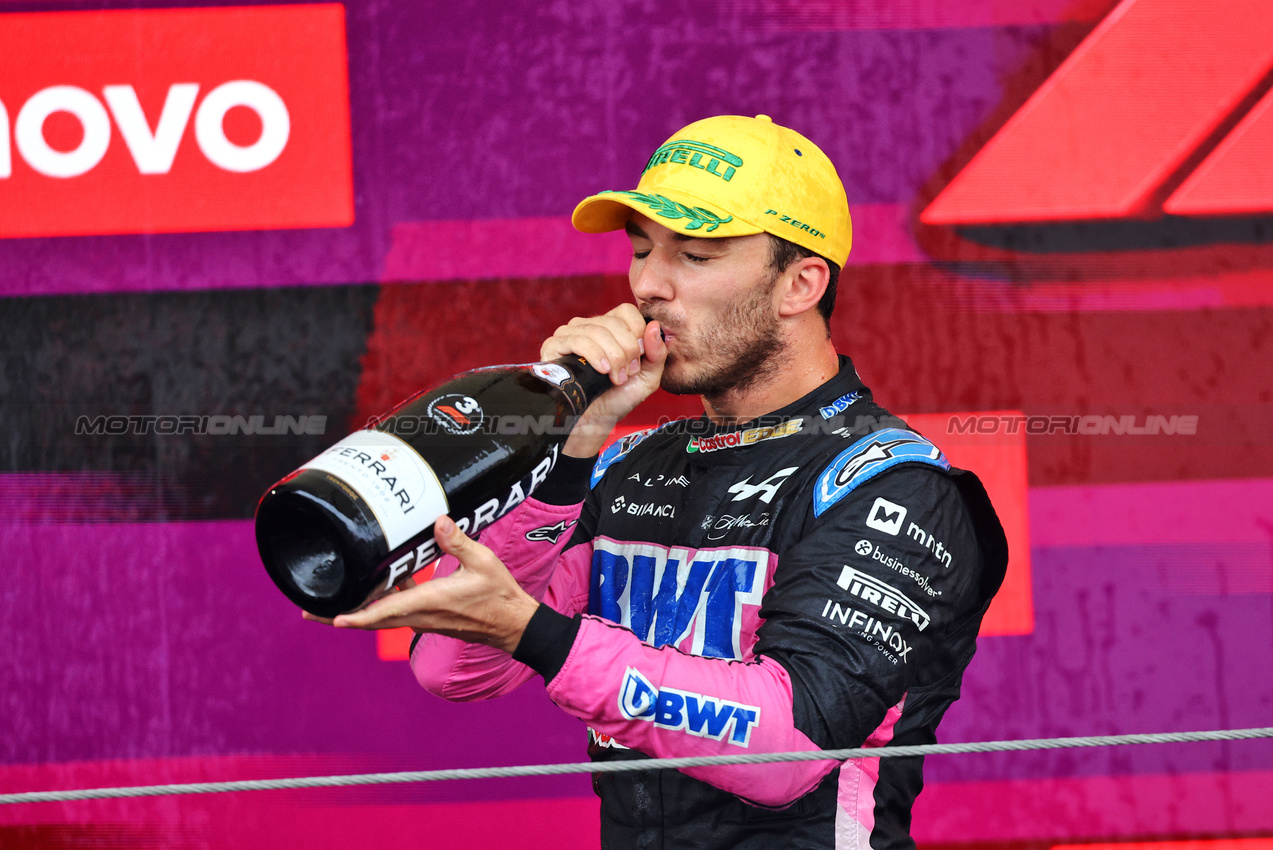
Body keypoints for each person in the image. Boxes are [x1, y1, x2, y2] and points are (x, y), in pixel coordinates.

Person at [313, 114, 1008, 849]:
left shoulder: (891, 485)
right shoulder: (623, 466)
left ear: (799, 284)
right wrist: (571, 447)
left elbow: (786, 747)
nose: (647, 285)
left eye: (696, 255)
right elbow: (455, 672)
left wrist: (536, 633)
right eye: (641, 250)